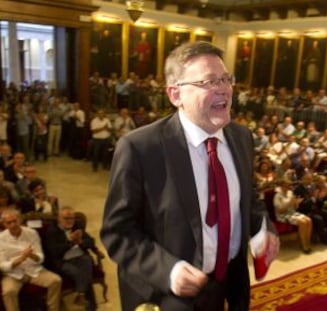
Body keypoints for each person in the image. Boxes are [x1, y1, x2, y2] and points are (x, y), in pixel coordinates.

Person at [100, 41, 279, 311]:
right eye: (208, 82)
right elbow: (118, 232)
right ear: (175, 95)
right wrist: (168, 271)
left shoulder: (241, 137)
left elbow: (248, 199)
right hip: (169, 295)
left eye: (225, 79)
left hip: (230, 283)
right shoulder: (140, 148)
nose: (223, 89)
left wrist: (263, 229)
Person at [0, 208, 62, 311]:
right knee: (8, 292)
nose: (13, 225)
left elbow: (40, 257)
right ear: (4, 225)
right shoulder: (1, 239)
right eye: (9, 223)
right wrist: (20, 259)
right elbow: (2, 265)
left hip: (33, 270)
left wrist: (31, 255)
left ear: (20, 220)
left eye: (15, 221)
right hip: (14, 273)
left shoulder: (32, 233)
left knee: (56, 280)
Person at [43, 206, 98, 310]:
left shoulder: (77, 226)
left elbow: (91, 242)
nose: (69, 221)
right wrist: (70, 241)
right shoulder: (52, 231)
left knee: (87, 262)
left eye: (72, 218)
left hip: (80, 256)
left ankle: (81, 295)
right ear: (59, 219)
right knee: (81, 273)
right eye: (66, 218)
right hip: (63, 261)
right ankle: (89, 303)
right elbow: (54, 252)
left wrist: (81, 242)